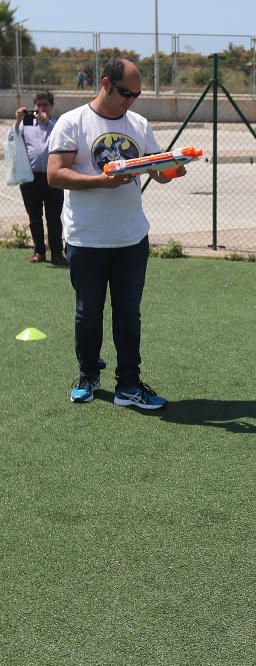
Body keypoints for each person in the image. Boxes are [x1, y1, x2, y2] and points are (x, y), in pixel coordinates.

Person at [47, 58, 184, 408]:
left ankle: (129, 384)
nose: (131, 101)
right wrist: (100, 181)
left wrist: (173, 169)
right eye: (126, 93)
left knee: (128, 313)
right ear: (106, 83)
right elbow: (55, 174)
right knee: (87, 313)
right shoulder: (72, 122)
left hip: (131, 239)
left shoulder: (138, 123)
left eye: (136, 95)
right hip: (86, 239)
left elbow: (156, 170)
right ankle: (88, 375)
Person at [10, 91, 66, 265]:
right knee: (34, 217)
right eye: (38, 105)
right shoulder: (26, 123)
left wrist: (47, 122)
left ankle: (57, 254)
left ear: (51, 107)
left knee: (54, 217)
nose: (41, 109)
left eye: (45, 105)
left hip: (53, 176)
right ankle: (39, 252)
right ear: (34, 107)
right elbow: (12, 139)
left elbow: (61, 139)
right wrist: (18, 121)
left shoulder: (57, 123)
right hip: (30, 177)